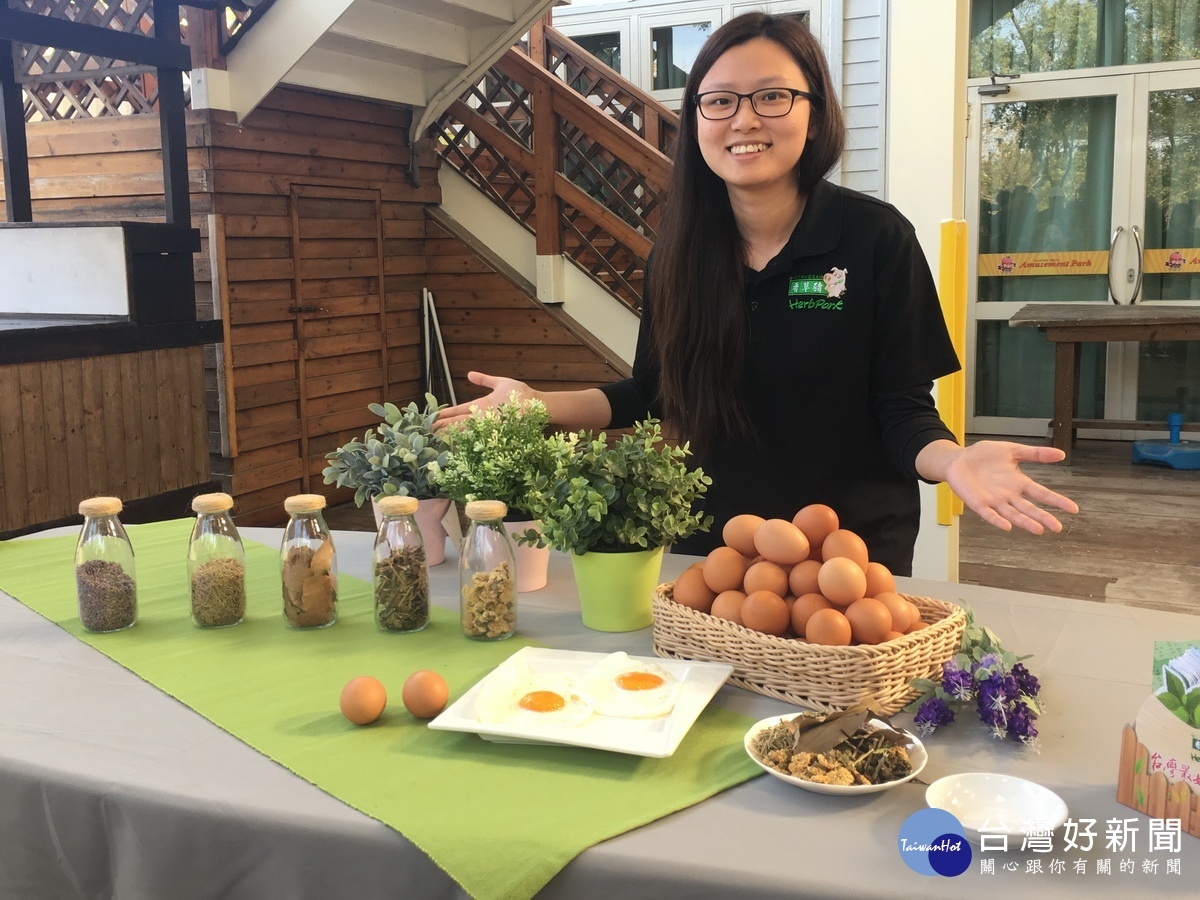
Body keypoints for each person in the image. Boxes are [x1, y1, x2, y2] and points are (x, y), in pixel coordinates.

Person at [438, 12, 1077, 576]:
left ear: (815, 111)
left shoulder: (874, 238)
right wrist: (534, 407)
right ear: (696, 121)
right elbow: (652, 395)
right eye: (718, 101)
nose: (744, 119)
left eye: (772, 96)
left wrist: (953, 463)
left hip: (848, 551)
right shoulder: (678, 253)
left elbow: (902, 411)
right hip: (710, 548)